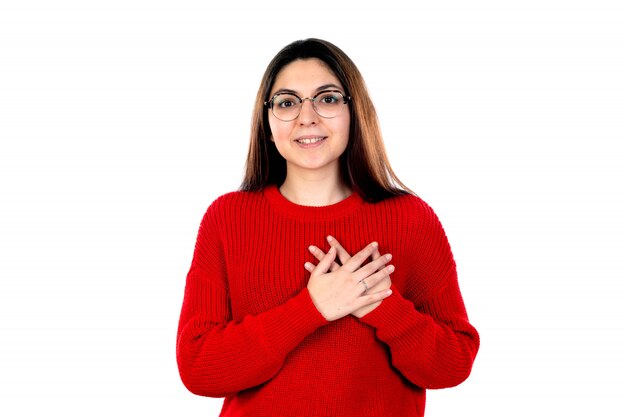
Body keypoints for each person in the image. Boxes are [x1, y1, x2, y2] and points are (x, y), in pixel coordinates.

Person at [176, 38, 480, 417]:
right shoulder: (227, 218)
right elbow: (199, 369)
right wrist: (312, 307)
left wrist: (382, 305)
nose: (308, 117)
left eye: (328, 99)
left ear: (354, 113)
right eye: (287, 102)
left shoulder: (411, 219)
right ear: (267, 124)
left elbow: (452, 366)